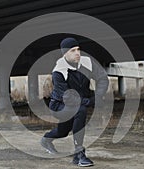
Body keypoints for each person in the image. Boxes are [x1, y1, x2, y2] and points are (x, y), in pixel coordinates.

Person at [40, 37, 109, 167]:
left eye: (78, 49)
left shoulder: (87, 62)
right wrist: (90, 101)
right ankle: (79, 154)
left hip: (78, 101)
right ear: (65, 53)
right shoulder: (58, 71)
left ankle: (46, 140)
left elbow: (102, 78)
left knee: (63, 131)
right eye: (72, 50)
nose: (77, 53)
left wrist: (98, 96)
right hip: (59, 105)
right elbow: (68, 98)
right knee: (80, 110)